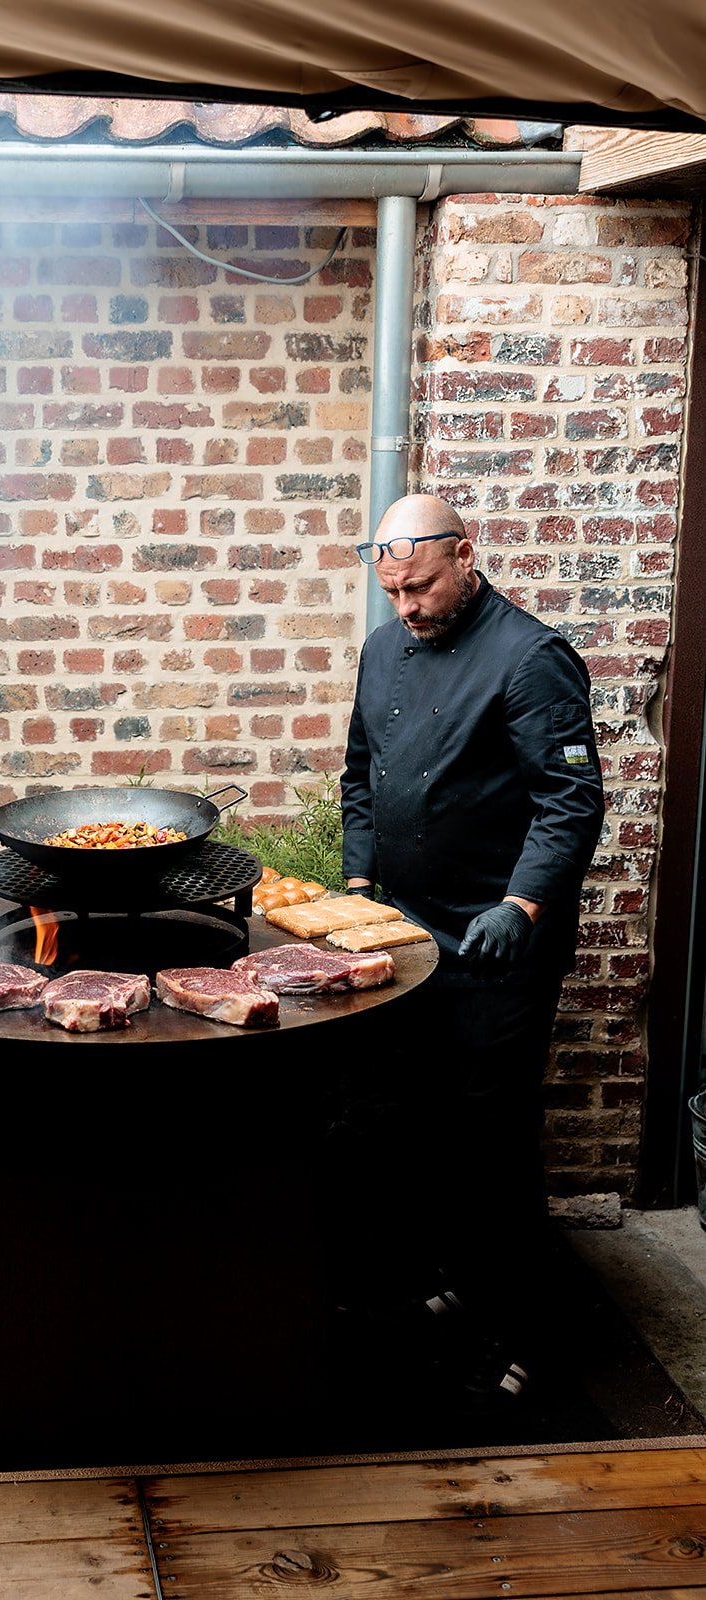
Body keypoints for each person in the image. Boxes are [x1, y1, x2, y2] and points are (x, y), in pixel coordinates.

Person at [337, 492, 605, 1404]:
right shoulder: (381, 650)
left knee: (491, 1140)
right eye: (393, 593)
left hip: (497, 947)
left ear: (464, 554)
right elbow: (361, 778)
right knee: (416, 1124)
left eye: (420, 586)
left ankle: (526, 1332)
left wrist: (523, 903)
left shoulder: (529, 658)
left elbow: (569, 803)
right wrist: (362, 886)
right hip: (408, 940)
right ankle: (452, 1287)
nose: (407, 608)